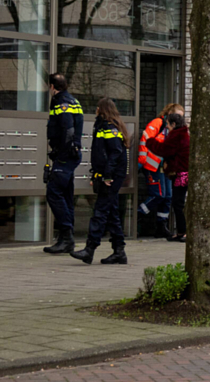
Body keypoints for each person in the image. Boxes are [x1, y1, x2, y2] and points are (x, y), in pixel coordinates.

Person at [71, 98, 130, 265]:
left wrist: (107, 176)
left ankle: (89, 249)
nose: (96, 110)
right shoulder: (104, 126)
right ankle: (119, 251)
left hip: (111, 177)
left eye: (97, 108)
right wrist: (97, 175)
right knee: (111, 213)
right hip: (108, 175)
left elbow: (115, 153)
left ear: (102, 110)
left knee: (100, 211)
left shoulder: (109, 127)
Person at [43, 73, 83, 254]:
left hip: (66, 155)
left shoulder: (61, 102)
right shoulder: (74, 101)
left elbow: (67, 128)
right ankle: (66, 238)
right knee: (66, 195)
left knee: (53, 192)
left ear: (52, 86)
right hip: (70, 154)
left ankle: (66, 237)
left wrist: (62, 152)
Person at [138, 103, 183, 238]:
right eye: (178, 116)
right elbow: (145, 139)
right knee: (158, 195)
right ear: (170, 113)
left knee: (168, 196)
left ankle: (161, 226)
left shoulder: (175, 129)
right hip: (153, 166)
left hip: (165, 167)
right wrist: (142, 160)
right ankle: (138, 215)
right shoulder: (158, 123)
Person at [146, 112, 190, 242]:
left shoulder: (177, 136)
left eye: (168, 125)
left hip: (181, 174)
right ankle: (181, 232)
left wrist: (149, 141)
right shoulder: (181, 134)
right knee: (177, 203)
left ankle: (184, 232)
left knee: (178, 203)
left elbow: (164, 150)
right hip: (182, 173)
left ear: (174, 124)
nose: (167, 127)